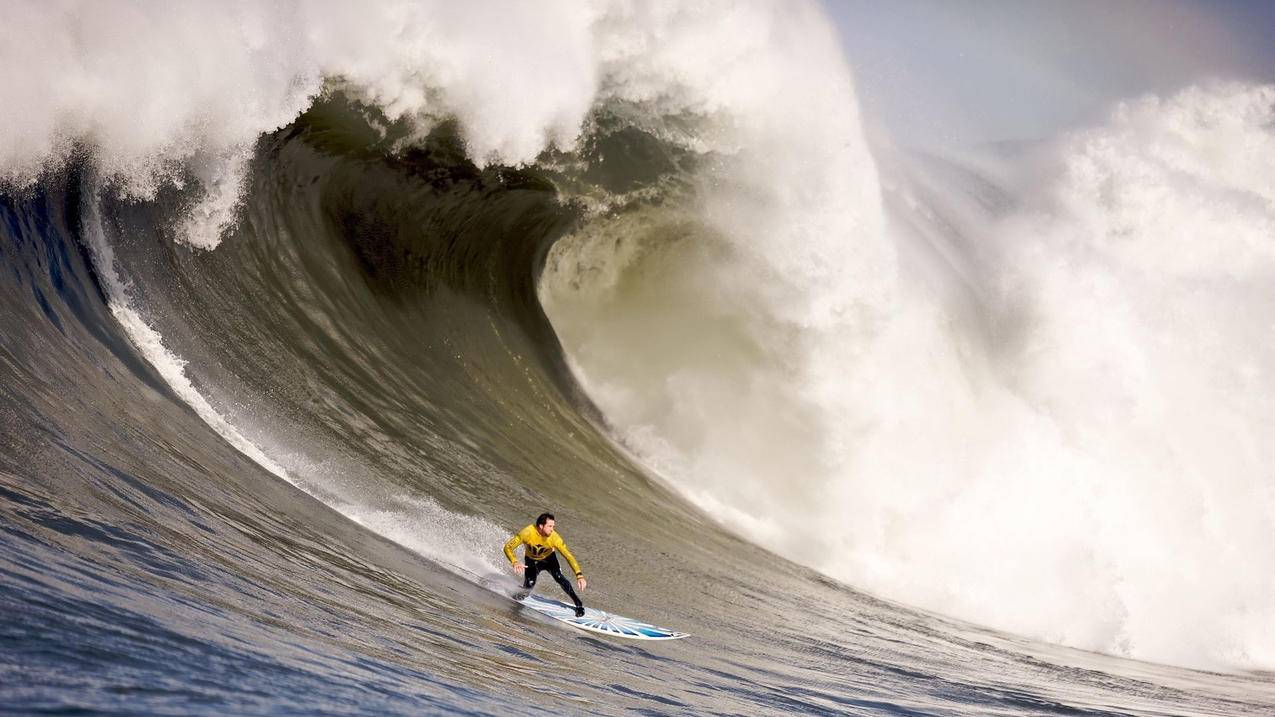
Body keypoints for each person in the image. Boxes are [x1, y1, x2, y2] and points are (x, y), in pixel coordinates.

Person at [503, 512, 587, 617]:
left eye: (553, 526)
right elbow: (507, 547)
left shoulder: (554, 538)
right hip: (532, 561)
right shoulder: (527, 533)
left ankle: (578, 604)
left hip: (549, 559)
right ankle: (521, 591)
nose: (552, 529)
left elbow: (568, 556)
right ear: (541, 526)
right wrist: (514, 561)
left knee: (559, 577)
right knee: (528, 588)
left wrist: (579, 575)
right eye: (550, 526)